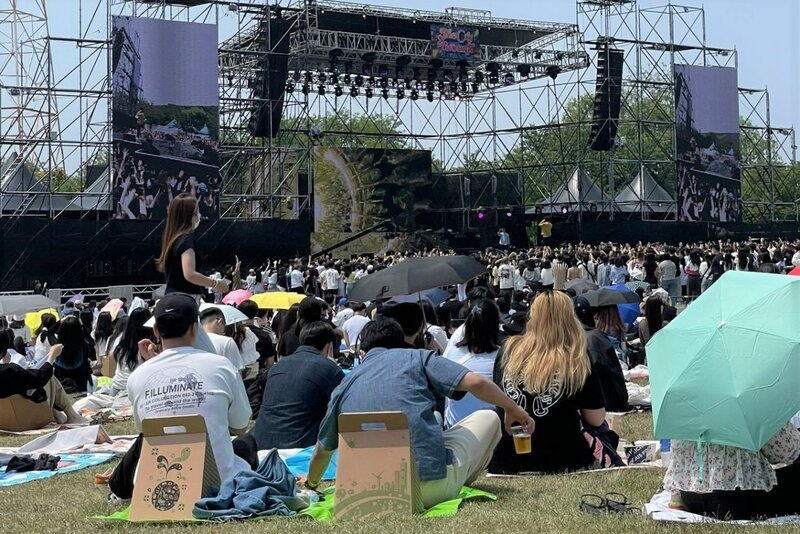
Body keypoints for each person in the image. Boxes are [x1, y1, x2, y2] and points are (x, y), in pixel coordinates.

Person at [303, 317, 534, 509]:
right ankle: (456, 482)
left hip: (364, 493)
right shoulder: (418, 357)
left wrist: (312, 483)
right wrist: (513, 409)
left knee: (435, 419)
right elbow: (476, 383)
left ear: (362, 350)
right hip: (424, 490)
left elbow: (323, 450)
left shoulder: (345, 383)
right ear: (403, 342)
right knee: (489, 417)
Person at [119, 293, 253, 495]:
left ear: (156, 331)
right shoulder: (222, 366)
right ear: (194, 328)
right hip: (217, 484)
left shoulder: (137, 377)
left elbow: (145, 429)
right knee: (246, 444)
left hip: (157, 486)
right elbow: (241, 426)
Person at [489, 292, 606, 474]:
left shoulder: (508, 349)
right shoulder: (576, 357)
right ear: (570, 318)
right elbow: (596, 419)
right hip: (562, 458)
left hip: (508, 457)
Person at [665, 423, 800, 520]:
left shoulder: (688, 404)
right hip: (736, 499)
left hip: (690, 498)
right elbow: (787, 452)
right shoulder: (752, 401)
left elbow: (677, 456)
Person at [251, 321, 344, 450]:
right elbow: (342, 408)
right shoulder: (330, 369)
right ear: (330, 346)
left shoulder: (276, 367)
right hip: (301, 447)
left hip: (260, 442)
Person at [156, 194, 227, 354]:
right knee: (208, 354)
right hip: (186, 302)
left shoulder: (173, 240)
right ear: (189, 215)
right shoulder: (186, 240)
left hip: (174, 301)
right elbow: (189, 274)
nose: (199, 215)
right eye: (196, 212)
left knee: (180, 352)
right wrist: (216, 284)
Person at [0, 335, 87, 426]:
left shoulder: (8, 370)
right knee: (48, 378)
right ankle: (71, 415)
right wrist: (51, 356)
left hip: (5, 423)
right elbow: (40, 378)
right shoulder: (9, 370)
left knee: (31, 388)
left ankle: (58, 415)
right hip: (25, 422)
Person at [444, 299, 501, 428]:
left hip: (453, 426)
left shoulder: (452, 351)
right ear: (495, 324)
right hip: (487, 431)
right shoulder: (501, 357)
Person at [573, 297, 628, 412]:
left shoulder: (568, 340)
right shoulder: (599, 337)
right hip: (604, 401)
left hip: (585, 402)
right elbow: (615, 372)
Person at [97, 308, 153, 397]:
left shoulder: (120, 339)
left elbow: (111, 356)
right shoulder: (149, 343)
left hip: (117, 386)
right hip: (138, 391)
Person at [53, 316, 95, 393]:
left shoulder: (57, 345)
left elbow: (50, 330)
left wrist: (61, 321)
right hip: (80, 381)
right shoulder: (84, 345)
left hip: (61, 381)